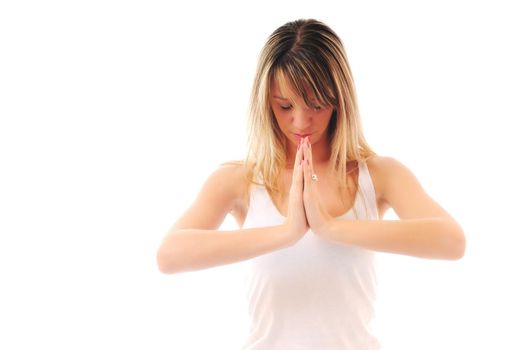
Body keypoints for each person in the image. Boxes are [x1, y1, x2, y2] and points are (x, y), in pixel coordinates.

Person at [157, 18, 466, 349]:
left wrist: (331, 227)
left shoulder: (380, 175)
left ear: (339, 100)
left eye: (316, 104)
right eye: (285, 106)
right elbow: (169, 256)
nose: (301, 121)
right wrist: (287, 232)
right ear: (266, 102)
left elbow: (451, 242)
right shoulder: (239, 180)